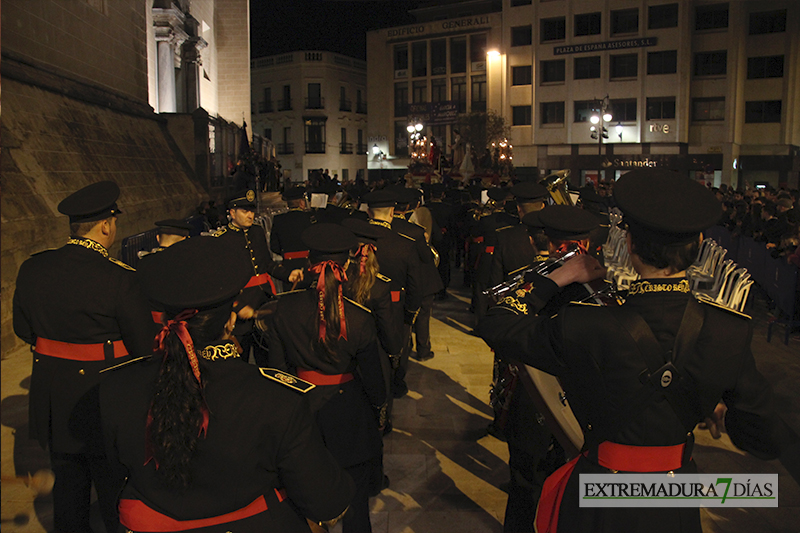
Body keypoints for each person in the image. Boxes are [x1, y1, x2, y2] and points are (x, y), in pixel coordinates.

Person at [479, 168, 800, 533]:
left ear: (629, 245)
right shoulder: (730, 329)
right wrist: (709, 400)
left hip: (598, 493)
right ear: (697, 244)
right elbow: (766, 437)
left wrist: (555, 278)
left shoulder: (586, 324)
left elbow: (495, 324)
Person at [100, 236, 354, 532]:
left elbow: (115, 479)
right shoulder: (277, 398)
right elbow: (327, 500)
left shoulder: (115, 388)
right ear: (230, 320)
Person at [13, 181, 155, 533]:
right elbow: (144, 347)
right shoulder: (121, 279)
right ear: (106, 225)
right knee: (113, 487)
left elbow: (22, 328)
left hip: (54, 395)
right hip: (105, 396)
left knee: (68, 483)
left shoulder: (33, 269)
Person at [268, 223, 387, 533]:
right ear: (347, 266)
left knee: (304, 505)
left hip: (301, 414)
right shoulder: (359, 318)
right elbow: (376, 386)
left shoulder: (284, 309)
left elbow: (278, 372)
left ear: (309, 265)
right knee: (356, 506)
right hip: (348, 416)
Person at [212, 189, 303, 366]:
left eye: (252, 211)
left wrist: (288, 274)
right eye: (245, 211)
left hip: (263, 302)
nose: (250, 215)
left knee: (269, 359)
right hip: (240, 307)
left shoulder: (257, 231)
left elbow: (267, 264)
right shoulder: (221, 240)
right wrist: (236, 306)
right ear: (232, 213)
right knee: (241, 361)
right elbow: (219, 282)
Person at [363, 189, 423, 399]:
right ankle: (396, 383)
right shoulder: (404, 245)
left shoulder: (356, 242)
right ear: (391, 213)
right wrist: (410, 314)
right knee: (397, 348)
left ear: (369, 213)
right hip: (395, 305)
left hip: (360, 304)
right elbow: (415, 285)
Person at [270, 186, 314, 272]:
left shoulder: (279, 219)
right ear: (302, 202)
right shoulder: (310, 218)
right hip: (309, 264)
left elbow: (274, 246)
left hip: (288, 265)